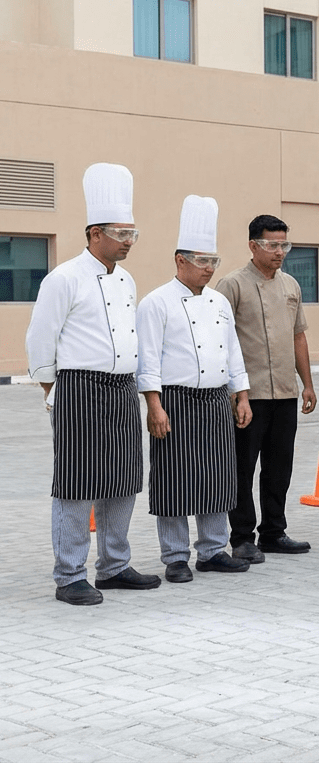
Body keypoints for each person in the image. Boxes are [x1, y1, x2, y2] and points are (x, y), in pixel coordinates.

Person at [25, 162, 162, 605]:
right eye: (122, 234)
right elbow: (40, 338)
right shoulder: (63, 278)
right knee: (77, 482)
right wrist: (52, 389)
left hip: (122, 388)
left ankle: (115, 566)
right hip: (79, 388)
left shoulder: (126, 281)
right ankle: (69, 575)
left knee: (123, 479)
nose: (128, 243)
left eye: (132, 234)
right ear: (94, 233)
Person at [137, 196, 254, 583]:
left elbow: (233, 350)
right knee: (174, 477)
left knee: (218, 476)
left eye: (214, 262)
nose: (209, 269)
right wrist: (155, 406)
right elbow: (148, 359)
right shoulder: (156, 303)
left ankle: (212, 550)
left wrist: (242, 395)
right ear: (179, 260)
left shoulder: (220, 301)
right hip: (175, 399)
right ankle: (174, 557)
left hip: (215, 398)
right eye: (202, 261)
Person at [214, 214, 317, 564]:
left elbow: (298, 335)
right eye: (272, 245)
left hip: (285, 393)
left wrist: (308, 384)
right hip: (248, 395)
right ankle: (242, 537)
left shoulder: (291, 286)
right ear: (253, 245)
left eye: (284, 245)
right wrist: (232, 392)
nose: (280, 252)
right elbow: (220, 342)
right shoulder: (232, 285)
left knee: (279, 467)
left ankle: (274, 532)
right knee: (242, 468)